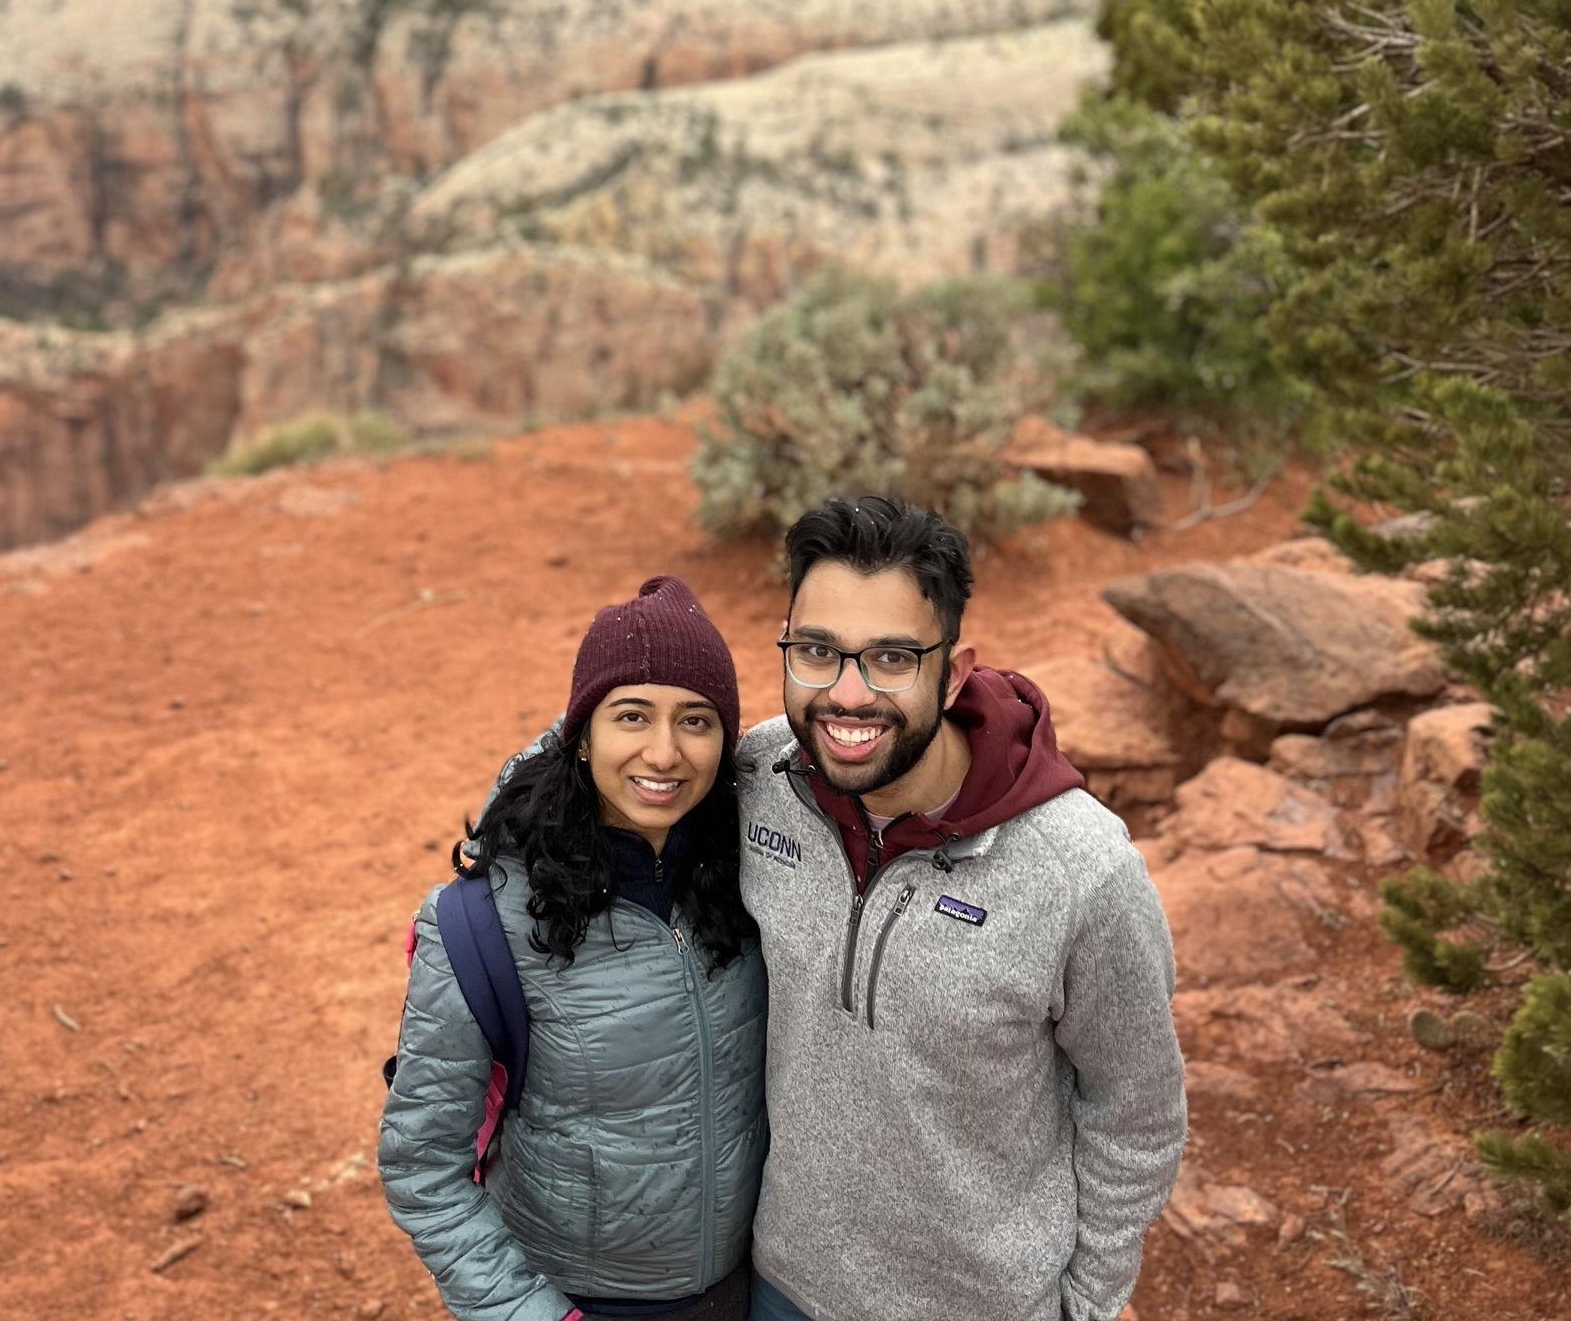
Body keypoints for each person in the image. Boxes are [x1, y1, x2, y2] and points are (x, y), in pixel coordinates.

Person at [738, 495, 1185, 1321]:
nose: (847, 695)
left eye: (893, 659)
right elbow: (616, 761)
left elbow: (1139, 1113)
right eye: (817, 651)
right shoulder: (760, 778)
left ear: (954, 671)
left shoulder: (1080, 869)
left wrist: (1085, 1305)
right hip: (784, 1286)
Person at [381, 575, 766, 1321]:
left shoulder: (756, 881)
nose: (664, 752)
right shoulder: (479, 924)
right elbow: (422, 1166)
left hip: (748, 1293)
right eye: (631, 715)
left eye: (696, 720)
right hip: (572, 1302)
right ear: (581, 734)